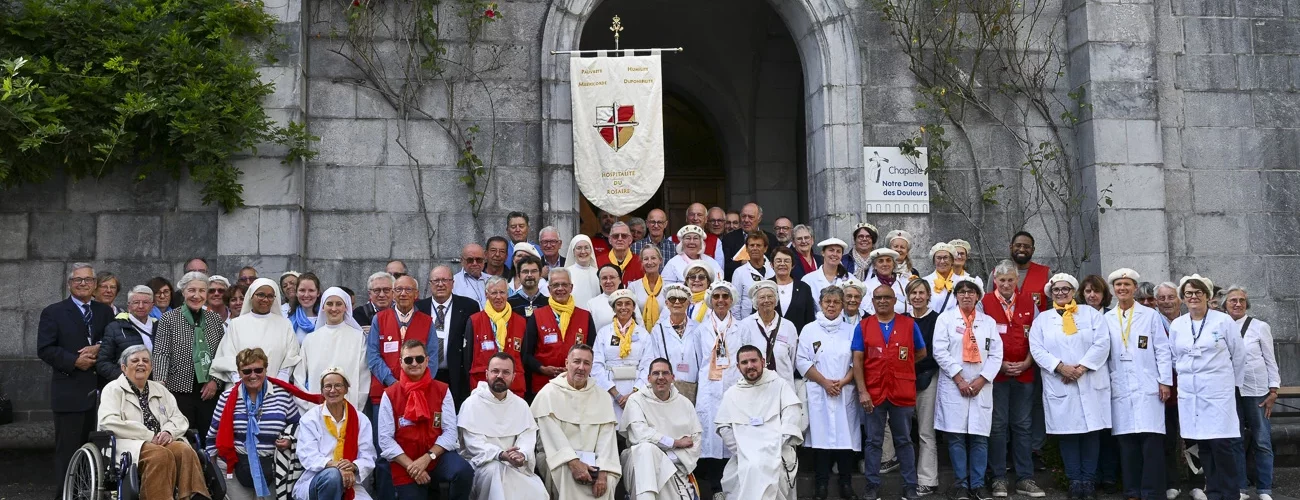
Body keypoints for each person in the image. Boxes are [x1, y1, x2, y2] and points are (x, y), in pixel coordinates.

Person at [1028, 273, 1112, 500]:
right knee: (1069, 434)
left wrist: (1081, 368)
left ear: (1074, 291)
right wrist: (1060, 367)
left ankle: (1089, 480)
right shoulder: (1042, 320)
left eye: (1066, 289)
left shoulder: (1091, 315)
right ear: (1050, 293)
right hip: (1060, 382)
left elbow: (1102, 342)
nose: (1061, 293)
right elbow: (1037, 349)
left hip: (1089, 380)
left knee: (1091, 433)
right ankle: (1075, 481)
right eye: (1056, 290)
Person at [1168, 274, 1246, 500]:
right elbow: (1175, 357)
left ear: (1207, 295)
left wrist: (1231, 386)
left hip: (1218, 392)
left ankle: (1230, 493)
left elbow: (1238, 355)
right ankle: (1212, 492)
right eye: (1189, 293)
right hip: (1191, 395)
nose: (1193, 297)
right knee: (1203, 447)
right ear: (1183, 298)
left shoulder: (1223, 321)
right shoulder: (1178, 325)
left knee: (1221, 445)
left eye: (1198, 293)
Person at [99, 345, 210, 500]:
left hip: (160, 440)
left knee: (184, 450)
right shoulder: (113, 389)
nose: (141, 364)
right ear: (124, 367)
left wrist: (168, 432)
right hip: (129, 444)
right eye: (135, 360)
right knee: (160, 455)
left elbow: (179, 418)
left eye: (145, 360)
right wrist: (148, 435)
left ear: (151, 367)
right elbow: (108, 422)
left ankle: (193, 495)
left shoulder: (160, 390)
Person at [39, 262, 114, 489]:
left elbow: (113, 340)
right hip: (70, 393)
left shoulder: (104, 311)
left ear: (94, 284)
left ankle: (90, 493)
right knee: (69, 452)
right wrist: (74, 361)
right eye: (78, 280)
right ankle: (66, 494)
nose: (83, 283)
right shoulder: (53, 312)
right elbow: (45, 349)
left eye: (88, 280)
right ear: (69, 284)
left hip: (102, 395)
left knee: (98, 452)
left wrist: (99, 347)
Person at [853, 284, 930, 500]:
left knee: (904, 440)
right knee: (873, 441)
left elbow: (921, 352)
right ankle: (872, 485)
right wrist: (862, 392)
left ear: (895, 300)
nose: (882, 301)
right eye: (878, 298)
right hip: (874, 391)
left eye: (887, 297)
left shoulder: (909, 324)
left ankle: (910, 486)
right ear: (873, 301)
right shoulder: (864, 326)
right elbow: (857, 361)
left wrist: (900, 367)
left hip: (902, 391)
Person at [1104, 269, 1174, 500]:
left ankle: (1152, 492)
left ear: (1134, 287)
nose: (1122, 288)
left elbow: (1163, 350)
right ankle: (1132, 491)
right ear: (1113, 289)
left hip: (1148, 385)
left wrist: (1164, 381)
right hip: (1120, 385)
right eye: (1118, 285)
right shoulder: (1106, 319)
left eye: (1127, 284)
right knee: (1127, 443)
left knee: (1151, 442)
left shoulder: (1150, 315)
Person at [933, 279, 1003, 500]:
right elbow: (939, 350)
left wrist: (982, 380)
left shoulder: (988, 322)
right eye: (961, 292)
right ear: (956, 296)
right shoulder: (945, 319)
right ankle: (961, 484)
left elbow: (996, 354)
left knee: (979, 438)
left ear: (978, 296)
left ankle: (978, 484)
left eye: (970, 292)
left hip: (981, 386)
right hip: (955, 385)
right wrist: (959, 379)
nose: (966, 296)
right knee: (956, 437)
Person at [377, 340, 474, 500]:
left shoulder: (442, 390)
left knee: (464, 472)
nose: (414, 363)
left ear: (427, 360)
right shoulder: (390, 394)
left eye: (419, 359)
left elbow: (450, 433)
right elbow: (385, 440)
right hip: (405, 463)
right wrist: (412, 466)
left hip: (436, 458)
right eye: (408, 360)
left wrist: (427, 458)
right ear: (401, 362)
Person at [981, 261, 1045, 498]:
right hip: (996, 375)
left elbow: (1037, 338)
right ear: (995, 281)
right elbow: (977, 338)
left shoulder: (1030, 302)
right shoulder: (984, 303)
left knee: (1023, 426)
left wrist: (1028, 362)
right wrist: (999, 364)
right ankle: (998, 478)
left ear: (1017, 280)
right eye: (1002, 280)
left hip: (1024, 373)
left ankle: (1025, 478)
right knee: (997, 427)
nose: (1006, 284)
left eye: (1011, 280)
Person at [208, 347, 306, 500]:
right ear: (239, 373)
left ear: (266, 369)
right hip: (235, 466)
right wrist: (213, 468)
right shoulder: (226, 397)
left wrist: (290, 440)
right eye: (247, 371)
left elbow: (298, 428)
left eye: (258, 370)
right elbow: (213, 434)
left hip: (273, 467)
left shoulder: (283, 396)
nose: (253, 375)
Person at [530, 344, 622, 499]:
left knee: (608, 480)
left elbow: (607, 441)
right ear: (567, 363)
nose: (581, 367)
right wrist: (574, 463)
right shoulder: (548, 394)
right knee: (567, 474)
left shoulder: (602, 396)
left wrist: (603, 470)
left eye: (586, 363)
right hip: (561, 458)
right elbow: (553, 439)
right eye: (576, 361)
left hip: (595, 461)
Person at [715, 345, 804, 500]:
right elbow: (724, 426)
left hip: (778, 448)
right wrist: (743, 451)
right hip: (743, 453)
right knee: (744, 471)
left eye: (753, 360)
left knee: (772, 469)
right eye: (744, 362)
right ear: (738, 367)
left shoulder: (779, 384)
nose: (750, 366)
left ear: (763, 361)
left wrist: (775, 445)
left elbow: (792, 413)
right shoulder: (732, 393)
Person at [798, 285, 862, 500]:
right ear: (821, 303)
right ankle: (821, 485)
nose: (832, 306)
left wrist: (843, 382)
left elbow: (858, 361)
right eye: (828, 302)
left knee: (845, 440)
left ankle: (846, 484)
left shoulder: (852, 330)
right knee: (821, 440)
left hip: (844, 391)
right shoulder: (809, 330)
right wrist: (825, 382)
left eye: (836, 302)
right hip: (820, 390)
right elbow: (802, 360)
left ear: (842, 304)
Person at [455, 354, 548, 499]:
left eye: (506, 372)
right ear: (487, 374)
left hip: (515, 466)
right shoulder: (471, 404)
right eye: (495, 371)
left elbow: (527, 436)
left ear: (513, 376)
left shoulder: (520, 405)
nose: (500, 376)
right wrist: (501, 454)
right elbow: (473, 444)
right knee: (495, 472)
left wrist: (521, 454)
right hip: (483, 465)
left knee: (537, 491)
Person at [151, 271, 225, 440]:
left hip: (209, 391)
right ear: (183, 292)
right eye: (192, 290)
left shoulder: (214, 319)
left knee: (209, 438)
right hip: (178, 389)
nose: (196, 295)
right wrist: (160, 385)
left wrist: (215, 380)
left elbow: (222, 354)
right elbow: (161, 353)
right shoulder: (169, 318)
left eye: (201, 291)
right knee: (183, 436)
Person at [620, 358, 704, 500]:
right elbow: (640, 434)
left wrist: (661, 458)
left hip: (677, 467)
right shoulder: (636, 400)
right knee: (646, 449)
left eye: (665, 373)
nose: (660, 377)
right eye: (656, 373)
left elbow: (695, 442)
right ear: (648, 378)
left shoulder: (685, 404)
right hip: (638, 463)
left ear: (672, 378)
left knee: (650, 453)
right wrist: (675, 443)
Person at [1224, 286, 1279, 500]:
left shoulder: (1260, 327)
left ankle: (1265, 489)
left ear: (1247, 304)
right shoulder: (1220, 326)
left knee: (1262, 440)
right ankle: (1241, 488)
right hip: (1230, 390)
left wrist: (1274, 389)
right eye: (1233, 300)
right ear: (1225, 305)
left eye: (1241, 300)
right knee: (1235, 439)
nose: (1237, 304)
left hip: (1256, 390)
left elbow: (1270, 360)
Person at [692, 280, 746, 497]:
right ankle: (715, 486)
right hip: (709, 388)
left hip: (734, 386)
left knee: (731, 435)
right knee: (712, 435)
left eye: (725, 297)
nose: (721, 300)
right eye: (716, 297)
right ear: (710, 301)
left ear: (731, 300)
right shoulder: (701, 330)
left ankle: (731, 486)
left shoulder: (741, 328)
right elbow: (698, 360)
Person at [365, 273, 440, 417]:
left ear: (416, 294)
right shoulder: (379, 319)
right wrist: (392, 382)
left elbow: (432, 358)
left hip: (418, 391)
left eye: (408, 290)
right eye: (398, 290)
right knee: (382, 437)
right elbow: (373, 356)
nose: (403, 294)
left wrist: (416, 384)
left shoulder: (427, 322)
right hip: (384, 391)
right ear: (393, 294)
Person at [293, 370, 376, 500]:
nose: (333, 390)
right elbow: (308, 455)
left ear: (346, 389)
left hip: (349, 481)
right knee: (332, 477)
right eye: (328, 386)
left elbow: (368, 456)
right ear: (322, 390)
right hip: (317, 479)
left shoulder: (360, 419)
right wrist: (337, 467)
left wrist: (353, 466)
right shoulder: (310, 418)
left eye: (338, 385)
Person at [524, 268, 597, 399]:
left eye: (564, 284)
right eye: (556, 285)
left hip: (577, 386)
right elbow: (526, 354)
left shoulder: (585, 316)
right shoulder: (537, 315)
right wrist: (542, 368)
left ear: (571, 287)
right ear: (549, 289)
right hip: (544, 385)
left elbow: (593, 351)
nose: (560, 288)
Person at [213, 278, 301, 387]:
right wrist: (241, 381)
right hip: (241, 388)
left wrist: (279, 381)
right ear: (251, 296)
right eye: (261, 295)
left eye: (270, 296)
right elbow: (227, 356)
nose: (265, 299)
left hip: (276, 389)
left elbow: (291, 356)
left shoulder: (285, 324)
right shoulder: (236, 324)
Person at [295, 287, 371, 409]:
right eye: (329, 304)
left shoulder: (359, 338)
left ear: (346, 307)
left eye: (339, 304)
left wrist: (356, 406)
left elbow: (364, 375)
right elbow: (299, 377)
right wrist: (308, 405)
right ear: (323, 307)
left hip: (349, 407)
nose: (334, 308)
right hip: (316, 409)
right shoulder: (310, 339)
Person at [416, 266, 482, 404]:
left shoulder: (469, 306)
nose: (441, 284)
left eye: (445, 280)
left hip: (457, 375)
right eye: (436, 280)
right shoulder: (419, 308)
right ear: (430, 284)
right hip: (426, 374)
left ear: (453, 283)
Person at [906, 279, 943, 496]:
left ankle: (928, 478)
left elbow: (934, 353)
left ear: (928, 295)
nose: (917, 297)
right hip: (904, 380)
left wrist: (913, 365)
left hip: (927, 378)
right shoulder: (902, 320)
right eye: (913, 293)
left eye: (921, 293)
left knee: (925, 431)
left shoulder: (937, 320)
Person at [465, 276, 528, 399]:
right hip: (482, 386)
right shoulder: (474, 320)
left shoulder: (521, 322)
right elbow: (468, 358)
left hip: (514, 387)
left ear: (508, 294)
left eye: (502, 292)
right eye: (494, 293)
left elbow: (524, 356)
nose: (498, 297)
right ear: (486, 294)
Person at [591, 289, 651, 419]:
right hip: (609, 389)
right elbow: (596, 365)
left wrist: (635, 392)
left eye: (627, 303)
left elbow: (648, 365)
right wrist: (615, 393)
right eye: (619, 304)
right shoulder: (604, 333)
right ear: (613, 308)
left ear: (634, 307)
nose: (623, 307)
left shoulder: (643, 334)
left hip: (636, 390)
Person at [640, 284, 701, 402]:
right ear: (667, 304)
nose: (677, 302)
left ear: (688, 303)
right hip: (668, 386)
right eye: (673, 299)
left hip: (694, 386)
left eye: (682, 299)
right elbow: (654, 358)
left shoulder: (698, 328)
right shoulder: (658, 330)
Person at [737, 281, 798, 384]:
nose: (766, 300)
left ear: (776, 300)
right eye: (762, 297)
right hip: (755, 387)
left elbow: (793, 360)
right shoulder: (744, 325)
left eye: (770, 297)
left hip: (783, 386)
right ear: (755, 302)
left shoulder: (788, 326)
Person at [97, 285, 157, 380]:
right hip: (126, 384)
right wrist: (127, 377)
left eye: (145, 302)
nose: (141, 306)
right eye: (136, 302)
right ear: (128, 306)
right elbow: (103, 363)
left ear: (152, 306)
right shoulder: (115, 328)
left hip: (156, 384)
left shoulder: (160, 326)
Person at [720, 203, 778, 280]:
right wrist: (742, 263)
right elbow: (725, 267)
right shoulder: (729, 238)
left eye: (751, 217)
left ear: (759, 218)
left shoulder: (771, 239)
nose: (746, 220)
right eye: (744, 216)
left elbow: (775, 263)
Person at [730, 231, 775, 319]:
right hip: (746, 324)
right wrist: (739, 326)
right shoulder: (739, 272)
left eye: (758, 245)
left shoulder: (773, 270)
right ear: (746, 249)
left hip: (771, 321)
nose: (755, 248)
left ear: (765, 248)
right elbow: (735, 303)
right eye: (751, 245)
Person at [772, 247, 817, 331]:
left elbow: (809, 319)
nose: (782, 264)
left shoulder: (804, 288)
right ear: (772, 264)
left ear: (793, 265)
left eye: (787, 261)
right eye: (778, 261)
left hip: (798, 339)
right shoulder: (764, 286)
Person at [588, 264, 639, 332]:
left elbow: (640, 327)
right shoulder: (592, 304)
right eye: (604, 278)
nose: (608, 281)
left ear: (620, 280)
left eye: (612, 277)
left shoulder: (630, 300)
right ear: (600, 282)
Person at [802, 237, 851, 309]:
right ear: (823, 253)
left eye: (838, 251)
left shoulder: (850, 279)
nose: (834, 254)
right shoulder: (808, 280)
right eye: (831, 250)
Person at [673, 203, 725, 269]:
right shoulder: (672, 239)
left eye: (699, 215)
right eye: (692, 214)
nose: (695, 218)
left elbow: (719, 270)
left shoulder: (716, 242)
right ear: (686, 218)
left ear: (706, 219)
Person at [1009, 232, 1051, 312]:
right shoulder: (997, 274)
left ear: (1033, 250)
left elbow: (1052, 305)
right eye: (1018, 245)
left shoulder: (1045, 273)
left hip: (1038, 323)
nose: (1022, 249)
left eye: (1027, 247)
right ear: (1011, 247)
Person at [863, 248, 911, 315]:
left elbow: (910, 307)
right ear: (875, 266)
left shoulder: (905, 284)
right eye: (880, 261)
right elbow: (867, 309)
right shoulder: (866, 286)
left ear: (893, 265)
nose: (885, 264)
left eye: (888, 261)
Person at [923, 243, 961, 315]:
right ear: (934, 261)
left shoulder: (961, 281)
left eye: (946, 257)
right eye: (939, 258)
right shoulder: (925, 282)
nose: (942, 261)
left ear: (952, 260)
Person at [635, 246, 667, 329]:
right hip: (640, 334)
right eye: (646, 259)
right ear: (641, 262)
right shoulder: (633, 287)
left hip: (664, 334)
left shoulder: (668, 287)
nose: (650, 262)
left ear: (660, 260)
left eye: (653, 258)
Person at [566, 234, 603, 306]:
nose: (583, 252)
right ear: (573, 251)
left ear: (591, 250)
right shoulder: (566, 273)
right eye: (579, 248)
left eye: (586, 248)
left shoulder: (598, 273)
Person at [289, 272, 323, 344]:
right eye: (302, 290)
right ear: (296, 293)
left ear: (318, 293)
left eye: (311, 290)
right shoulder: (288, 322)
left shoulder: (326, 319)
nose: (306, 295)